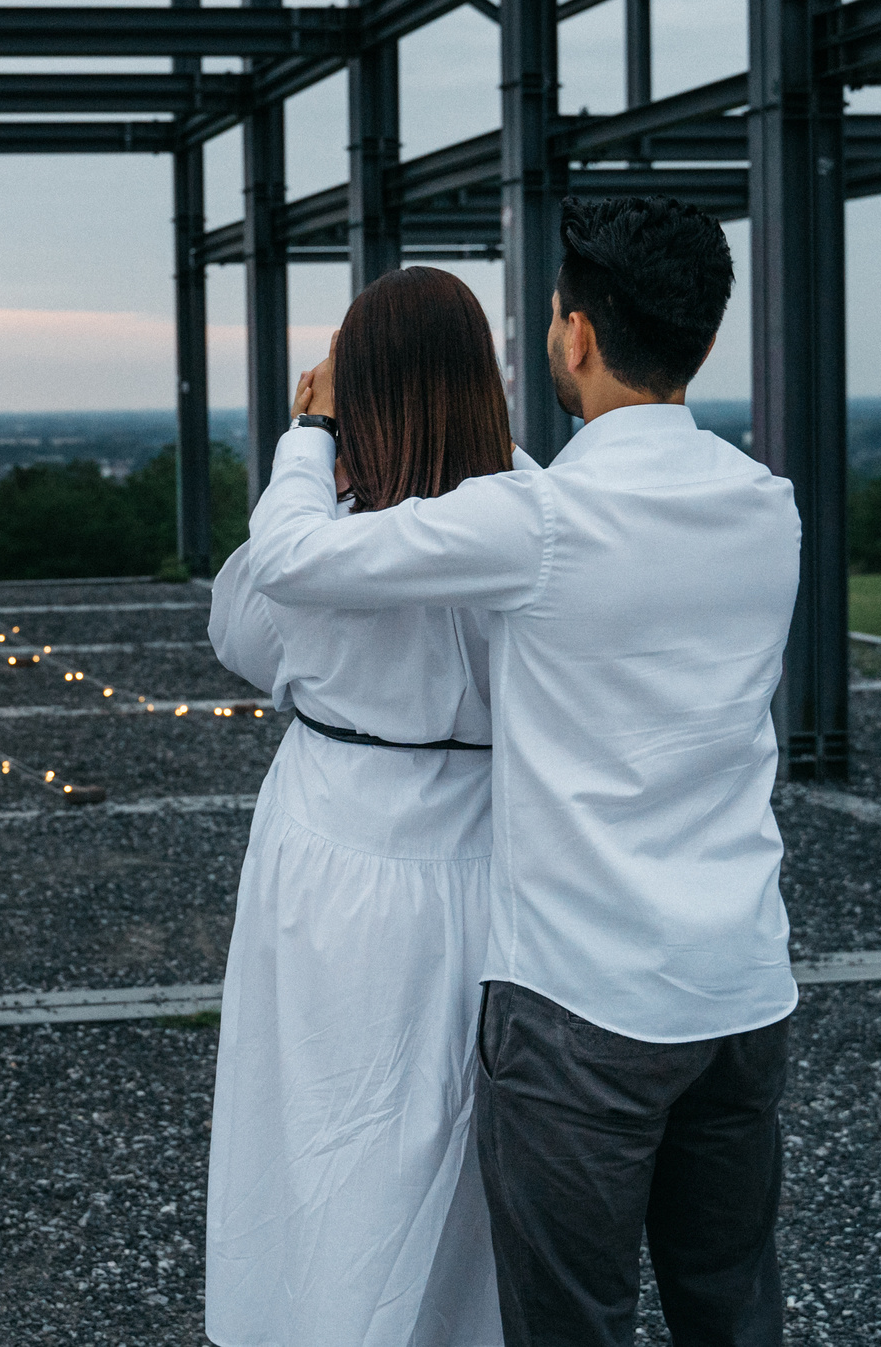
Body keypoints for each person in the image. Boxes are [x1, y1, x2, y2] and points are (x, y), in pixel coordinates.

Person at [240, 197, 803, 1347]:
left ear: (577, 337)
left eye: (550, 316)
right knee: (731, 1306)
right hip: (742, 986)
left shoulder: (539, 521)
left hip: (582, 1001)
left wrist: (314, 426)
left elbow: (288, 562)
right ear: (701, 338)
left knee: (568, 1320)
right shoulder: (767, 509)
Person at [204, 265, 518, 1347]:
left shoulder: (324, 540)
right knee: (464, 1149)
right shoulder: (526, 523)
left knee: (319, 1129)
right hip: (493, 850)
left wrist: (313, 437)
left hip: (335, 845)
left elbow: (241, 633)